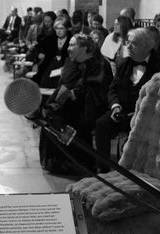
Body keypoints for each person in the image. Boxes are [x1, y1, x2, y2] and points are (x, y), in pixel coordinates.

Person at [94, 28, 160, 171]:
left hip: (147, 117)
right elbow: (112, 89)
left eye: (133, 43)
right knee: (101, 124)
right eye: (127, 42)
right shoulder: (123, 63)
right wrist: (115, 106)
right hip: (121, 112)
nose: (128, 46)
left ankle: (137, 172)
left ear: (147, 46)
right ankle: (103, 171)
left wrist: (140, 113)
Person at [38, 34, 113, 174]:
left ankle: (75, 164)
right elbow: (63, 86)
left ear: (85, 48)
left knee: (70, 119)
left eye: (73, 45)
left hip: (89, 106)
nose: (69, 48)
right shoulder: (71, 62)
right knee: (51, 115)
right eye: (70, 44)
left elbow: (99, 92)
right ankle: (57, 163)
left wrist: (75, 94)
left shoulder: (100, 65)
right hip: (70, 102)